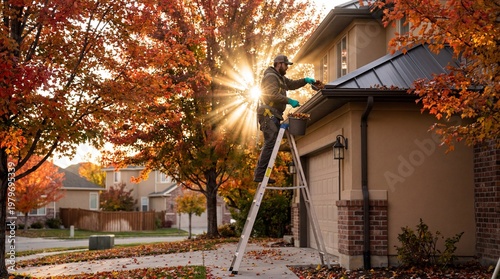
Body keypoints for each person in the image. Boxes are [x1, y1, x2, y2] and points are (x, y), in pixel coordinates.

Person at [253, 54, 316, 183]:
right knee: (270, 142)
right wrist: (289, 100)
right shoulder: (271, 77)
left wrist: (305, 80)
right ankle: (260, 174)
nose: (287, 67)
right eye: (286, 64)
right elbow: (272, 95)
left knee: (272, 142)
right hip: (267, 114)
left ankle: (261, 173)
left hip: (273, 114)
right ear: (279, 64)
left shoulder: (280, 78)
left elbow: (292, 84)